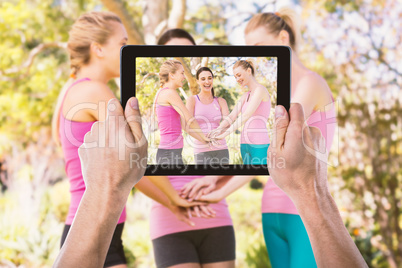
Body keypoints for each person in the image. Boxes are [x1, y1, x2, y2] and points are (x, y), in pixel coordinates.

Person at [54, 101, 368, 268]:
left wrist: (216, 186)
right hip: (171, 217)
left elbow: (236, 158)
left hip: (216, 214)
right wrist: (173, 201)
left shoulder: (212, 103)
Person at [244, 8, 336, 267]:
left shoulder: (311, 83)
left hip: (303, 212)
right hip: (270, 212)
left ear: (283, 39)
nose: (253, 54)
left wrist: (217, 193)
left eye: (258, 45)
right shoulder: (274, 94)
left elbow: (272, 150)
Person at [51, 11, 129, 268]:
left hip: (92, 229)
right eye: (123, 44)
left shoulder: (71, 88)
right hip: (93, 230)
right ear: (98, 49)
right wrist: (176, 203)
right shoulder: (95, 91)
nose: (127, 51)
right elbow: (134, 160)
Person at [209, 59, 271, 165]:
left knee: (259, 178)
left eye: (239, 75)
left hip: (259, 144)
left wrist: (224, 134)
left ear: (248, 71)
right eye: (235, 77)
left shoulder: (260, 90)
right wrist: (217, 130)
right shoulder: (245, 96)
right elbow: (232, 116)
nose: (237, 79)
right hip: (244, 144)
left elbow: (246, 115)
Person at [154, 59, 211, 164]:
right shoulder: (170, 93)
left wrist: (203, 140)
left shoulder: (162, 92)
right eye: (182, 73)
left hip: (170, 152)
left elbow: (185, 126)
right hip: (169, 154)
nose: (184, 77)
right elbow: (190, 119)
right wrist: (204, 136)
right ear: (172, 75)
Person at [186, 67, 230, 164]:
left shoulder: (221, 101)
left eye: (210, 78)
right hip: (201, 151)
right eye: (203, 79)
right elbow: (187, 126)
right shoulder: (192, 100)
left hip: (221, 149)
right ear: (197, 81)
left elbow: (228, 124)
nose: (207, 81)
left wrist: (217, 136)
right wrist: (203, 139)